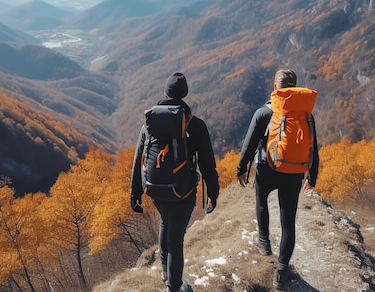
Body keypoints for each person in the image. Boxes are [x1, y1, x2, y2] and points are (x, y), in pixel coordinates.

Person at [131, 72, 220, 292]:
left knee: (165, 223)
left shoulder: (150, 122)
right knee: (176, 239)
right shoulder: (195, 124)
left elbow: (139, 157)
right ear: (185, 95)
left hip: (155, 188)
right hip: (183, 191)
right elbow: (207, 164)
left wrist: (135, 192)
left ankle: (165, 272)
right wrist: (213, 192)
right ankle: (174, 287)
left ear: (166, 93)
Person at [236, 69, 319, 290]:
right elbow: (313, 148)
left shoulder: (265, 113)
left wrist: (241, 168)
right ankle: (282, 271)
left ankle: (264, 244)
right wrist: (312, 176)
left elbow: (250, 143)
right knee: (288, 221)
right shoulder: (306, 116)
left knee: (261, 202)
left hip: (267, 170)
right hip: (294, 173)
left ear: (275, 88)